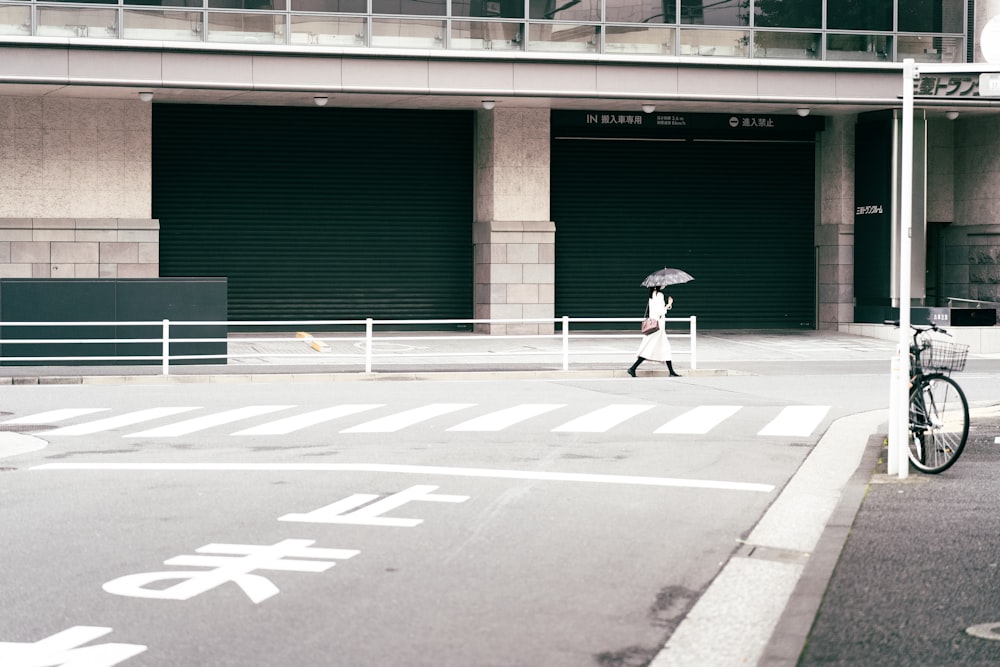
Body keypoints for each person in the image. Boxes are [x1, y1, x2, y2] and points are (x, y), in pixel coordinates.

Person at [627, 286, 680, 377]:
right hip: (658, 326)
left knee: (664, 347)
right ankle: (633, 368)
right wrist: (669, 304)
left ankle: (671, 371)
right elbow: (660, 311)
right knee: (652, 348)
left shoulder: (652, 295)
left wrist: (667, 305)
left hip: (655, 325)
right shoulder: (659, 295)